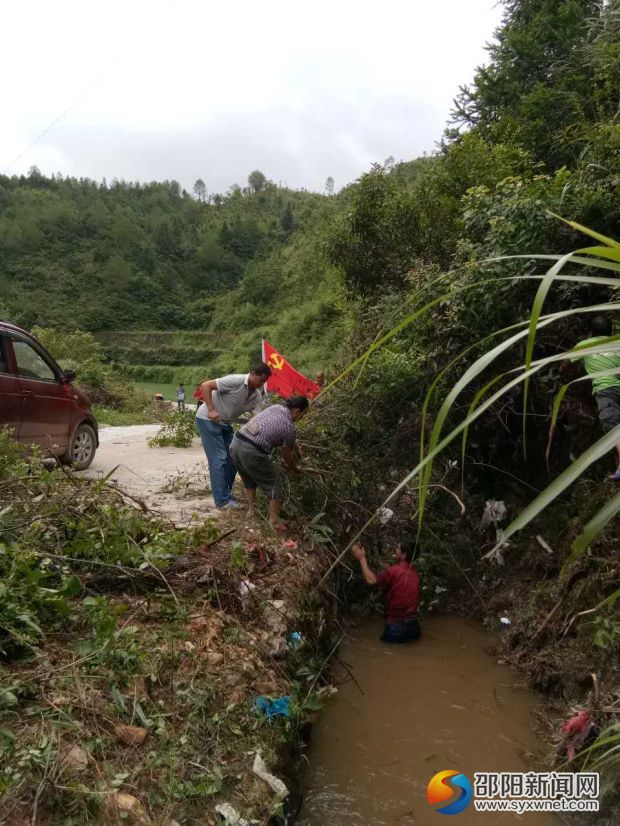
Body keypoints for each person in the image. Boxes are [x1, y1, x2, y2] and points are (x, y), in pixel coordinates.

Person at [195, 363, 271, 509]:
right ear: (252, 373)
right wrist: (211, 410)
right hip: (207, 419)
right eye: (260, 380)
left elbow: (256, 420)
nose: (261, 384)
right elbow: (205, 386)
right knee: (219, 458)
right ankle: (222, 501)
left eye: (264, 382)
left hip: (225, 423)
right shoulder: (236, 380)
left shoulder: (256, 397)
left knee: (233, 458)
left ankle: (226, 495)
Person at [230, 396, 308, 529]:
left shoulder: (276, 408)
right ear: (298, 411)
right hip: (251, 450)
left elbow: (285, 437)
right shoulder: (290, 427)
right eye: (303, 414)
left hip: (236, 444)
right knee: (275, 480)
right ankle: (273, 519)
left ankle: (251, 512)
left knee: (249, 478)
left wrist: (296, 447)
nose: (302, 418)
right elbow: (287, 456)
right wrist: (295, 469)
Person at [572, 315, 620, 480]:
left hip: (605, 390)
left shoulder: (585, 345)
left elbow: (564, 364)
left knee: (613, 429)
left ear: (590, 332)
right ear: (612, 330)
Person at [351, 537, 421, 643]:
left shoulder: (395, 571)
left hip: (397, 628)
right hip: (414, 628)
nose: (395, 550)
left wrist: (362, 559)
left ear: (403, 555)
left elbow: (371, 580)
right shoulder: (415, 574)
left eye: (397, 548)